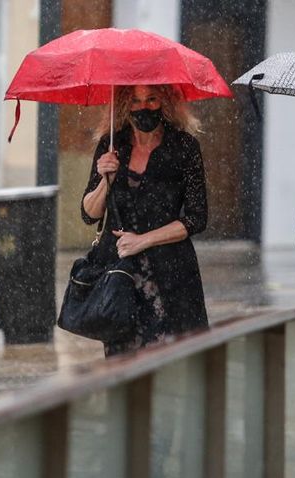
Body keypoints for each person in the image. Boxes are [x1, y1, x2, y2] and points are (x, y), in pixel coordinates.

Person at [81, 84, 209, 356]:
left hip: (172, 275)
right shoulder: (111, 146)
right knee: (123, 363)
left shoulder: (185, 147)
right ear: (126, 105)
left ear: (165, 102)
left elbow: (197, 218)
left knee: (172, 361)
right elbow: (89, 214)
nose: (144, 107)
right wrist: (106, 180)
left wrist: (143, 241)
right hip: (120, 278)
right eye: (136, 100)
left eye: (152, 99)